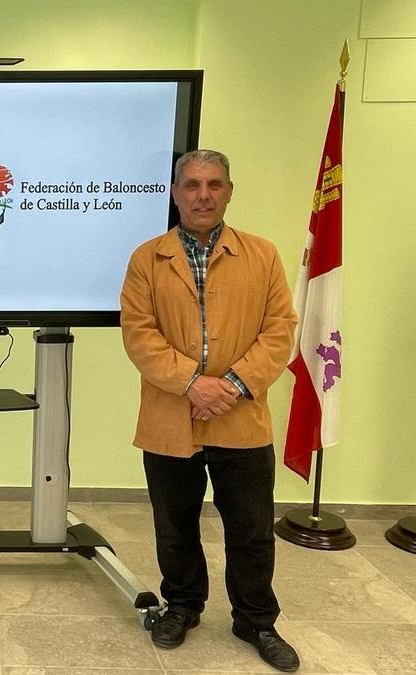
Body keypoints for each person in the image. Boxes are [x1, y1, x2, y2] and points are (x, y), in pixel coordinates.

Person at [120, 149, 301, 672]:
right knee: (174, 525)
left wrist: (233, 386)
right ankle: (181, 606)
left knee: (250, 528)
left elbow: (280, 330)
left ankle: (256, 620)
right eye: (193, 185)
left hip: (241, 417)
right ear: (175, 193)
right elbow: (139, 334)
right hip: (169, 416)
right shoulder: (146, 258)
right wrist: (194, 384)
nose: (203, 195)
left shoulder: (263, 255)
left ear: (229, 192)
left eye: (215, 185)